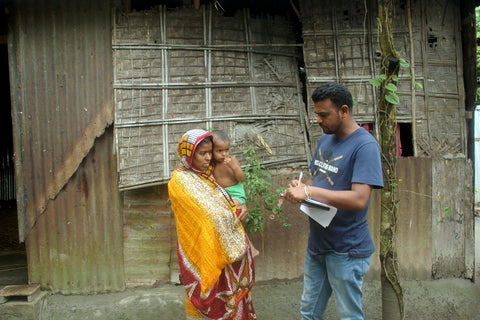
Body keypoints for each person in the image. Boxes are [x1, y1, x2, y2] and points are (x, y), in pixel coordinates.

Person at [283, 82, 383, 320]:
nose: (318, 120)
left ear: (344, 111)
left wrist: (309, 192)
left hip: (347, 248)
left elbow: (360, 199)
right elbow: (317, 180)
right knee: (309, 312)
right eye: (316, 114)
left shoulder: (365, 146)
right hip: (318, 243)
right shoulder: (325, 140)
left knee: (349, 315)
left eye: (323, 114)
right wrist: (303, 188)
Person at [168, 129, 257, 320]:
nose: (209, 158)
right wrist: (233, 212)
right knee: (207, 307)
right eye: (202, 153)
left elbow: (224, 200)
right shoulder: (179, 181)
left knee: (234, 306)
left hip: (224, 254)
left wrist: (242, 206)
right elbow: (210, 215)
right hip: (203, 253)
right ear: (189, 154)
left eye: (210, 152)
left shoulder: (206, 174)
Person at [211, 130, 259, 258]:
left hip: (236, 194)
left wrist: (234, 167)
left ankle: (246, 247)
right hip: (224, 195)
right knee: (229, 221)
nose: (224, 154)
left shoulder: (232, 160)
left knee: (236, 211)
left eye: (226, 150)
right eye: (219, 151)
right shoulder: (211, 165)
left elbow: (241, 178)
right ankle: (245, 247)